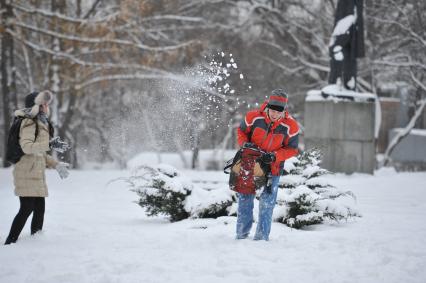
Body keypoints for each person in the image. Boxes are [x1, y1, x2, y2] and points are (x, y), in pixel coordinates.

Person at [4, 90, 70, 245]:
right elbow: (27, 148)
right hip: (26, 173)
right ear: (37, 106)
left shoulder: (41, 123)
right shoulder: (29, 122)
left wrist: (56, 164)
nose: (47, 107)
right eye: (44, 104)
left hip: (36, 174)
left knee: (40, 210)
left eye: (47, 104)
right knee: (26, 209)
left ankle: (36, 242)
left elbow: (39, 153)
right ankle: (9, 242)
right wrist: (48, 144)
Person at [236, 89, 299, 241]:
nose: (275, 114)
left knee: (267, 203)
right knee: (245, 199)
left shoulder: (291, 126)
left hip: (273, 168)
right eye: (272, 110)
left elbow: (292, 149)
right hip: (250, 163)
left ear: (284, 110)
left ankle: (262, 238)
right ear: (268, 106)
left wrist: (276, 156)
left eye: (279, 111)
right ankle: (241, 235)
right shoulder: (253, 117)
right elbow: (241, 132)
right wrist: (245, 145)